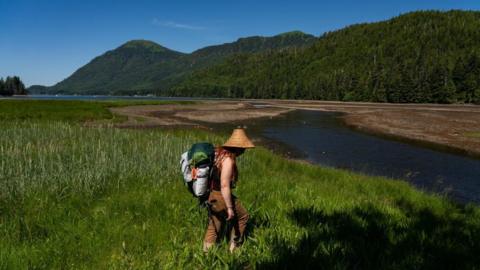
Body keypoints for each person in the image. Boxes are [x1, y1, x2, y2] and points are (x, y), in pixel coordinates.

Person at [203, 128, 254, 252]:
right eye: (243, 148)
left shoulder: (218, 154)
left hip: (211, 195)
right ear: (238, 148)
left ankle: (206, 255)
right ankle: (233, 250)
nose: (244, 151)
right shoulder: (228, 160)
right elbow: (224, 185)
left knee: (215, 224)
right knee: (243, 217)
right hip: (220, 195)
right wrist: (230, 208)